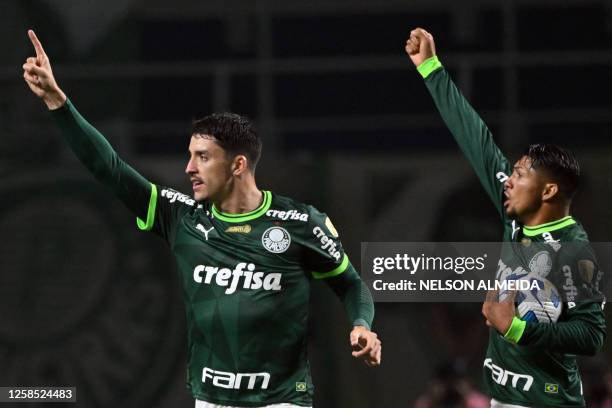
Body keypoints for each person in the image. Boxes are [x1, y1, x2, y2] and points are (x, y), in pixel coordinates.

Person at [22, 29, 381, 408]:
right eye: (190, 155)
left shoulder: (300, 223)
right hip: (210, 402)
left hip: (282, 402)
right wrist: (57, 101)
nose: (189, 167)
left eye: (203, 157)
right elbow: (109, 168)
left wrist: (362, 325)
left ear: (238, 164)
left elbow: (351, 284)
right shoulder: (180, 216)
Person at [405, 28, 606, 407]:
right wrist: (431, 68)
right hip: (502, 398)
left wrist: (515, 328)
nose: (508, 181)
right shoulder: (514, 214)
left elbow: (591, 336)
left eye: (519, 175)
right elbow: (475, 137)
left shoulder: (573, 250)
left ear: (547, 191)